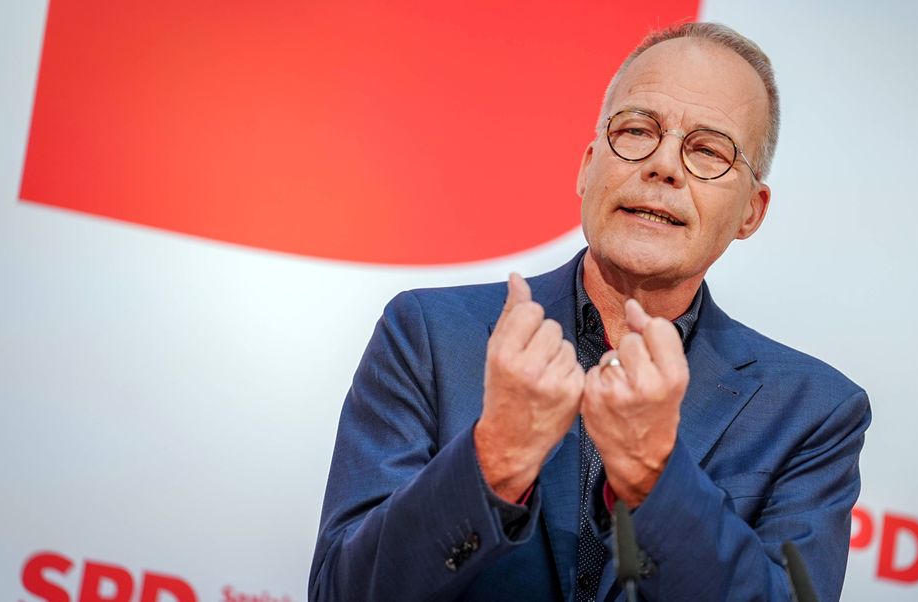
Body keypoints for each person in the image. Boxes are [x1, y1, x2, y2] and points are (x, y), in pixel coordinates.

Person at [310, 22, 871, 602]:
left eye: (707, 150)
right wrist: (495, 459)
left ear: (752, 212)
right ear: (586, 167)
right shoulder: (427, 336)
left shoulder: (814, 413)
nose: (664, 167)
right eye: (637, 131)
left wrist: (655, 476)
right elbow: (340, 592)